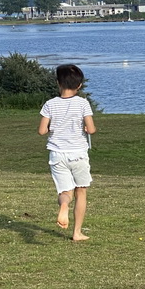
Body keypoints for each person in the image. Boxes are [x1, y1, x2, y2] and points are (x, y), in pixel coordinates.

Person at [38, 64, 97, 241]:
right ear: (79, 86)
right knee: (81, 191)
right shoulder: (83, 103)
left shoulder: (50, 104)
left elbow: (42, 131)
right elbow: (91, 129)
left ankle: (64, 206)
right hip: (78, 153)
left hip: (57, 154)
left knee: (65, 192)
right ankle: (77, 232)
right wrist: (86, 127)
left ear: (58, 83)